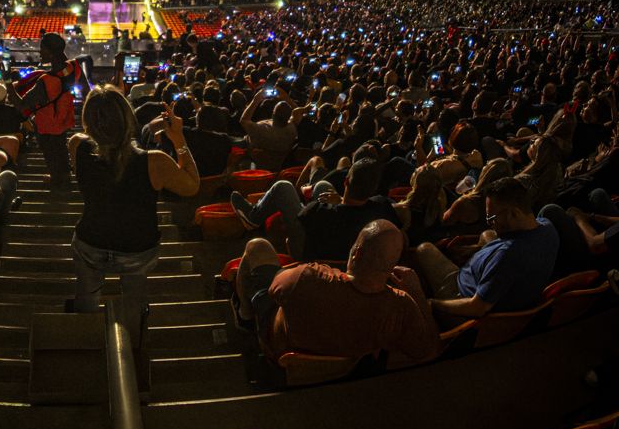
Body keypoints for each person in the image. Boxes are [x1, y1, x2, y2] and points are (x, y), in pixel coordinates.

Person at [68, 87, 199, 315]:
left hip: (90, 241)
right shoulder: (155, 162)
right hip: (138, 248)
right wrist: (178, 138)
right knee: (134, 295)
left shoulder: (76, 145)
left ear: (87, 118)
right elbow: (192, 186)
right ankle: (133, 326)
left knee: (86, 295)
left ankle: (84, 327)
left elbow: (103, 151)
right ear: (128, 117)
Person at [233, 219, 439, 364]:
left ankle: (245, 316)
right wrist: (417, 293)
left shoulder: (307, 278)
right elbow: (428, 351)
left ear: (357, 252)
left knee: (257, 247)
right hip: (342, 371)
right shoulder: (401, 306)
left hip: (280, 349)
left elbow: (273, 289)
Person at [414, 176, 559, 319]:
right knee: (487, 234)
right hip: (500, 279)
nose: (490, 222)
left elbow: (477, 308)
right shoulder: (547, 226)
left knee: (424, 248)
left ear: (514, 213)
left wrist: (433, 304)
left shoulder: (508, 255)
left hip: (461, 293)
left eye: (492, 218)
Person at [10, 33, 88, 191]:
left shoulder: (45, 81)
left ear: (51, 53)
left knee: (51, 154)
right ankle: (64, 177)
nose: (40, 53)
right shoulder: (74, 67)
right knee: (60, 148)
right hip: (64, 119)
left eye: (42, 49)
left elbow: (21, 104)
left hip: (47, 125)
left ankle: (57, 182)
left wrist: (7, 83)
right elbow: (87, 91)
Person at [240, 93, 297, 172]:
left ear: (273, 114)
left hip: (255, 162)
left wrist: (255, 100)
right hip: (277, 166)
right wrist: (287, 98)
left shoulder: (261, 129)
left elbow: (243, 120)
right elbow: (297, 113)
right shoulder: (292, 130)